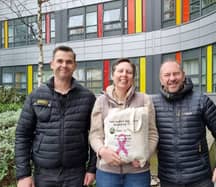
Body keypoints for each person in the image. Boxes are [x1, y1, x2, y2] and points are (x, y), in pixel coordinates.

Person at [15, 45, 96, 187]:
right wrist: (24, 174)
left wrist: (92, 169)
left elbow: (97, 135)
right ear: (52, 64)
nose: (64, 65)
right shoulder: (36, 96)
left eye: (69, 62)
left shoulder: (87, 97)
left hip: (76, 174)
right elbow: (22, 135)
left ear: (74, 66)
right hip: (44, 174)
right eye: (60, 61)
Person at [89, 58, 158, 187]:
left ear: (133, 77)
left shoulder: (144, 100)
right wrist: (102, 151)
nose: (124, 75)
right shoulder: (101, 101)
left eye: (129, 72)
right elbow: (95, 134)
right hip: (108, 173)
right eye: (120, 71)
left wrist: (145, 156)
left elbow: (152, 134)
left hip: (138, 172)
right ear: (112, 75)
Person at [152, 59, 216, 187]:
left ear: (183, 75)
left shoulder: (201, 101)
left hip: (200, 178)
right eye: (167, 75)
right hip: (168, 179)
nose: (172, 78)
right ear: (161, 79)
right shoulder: (153, 104)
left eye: (176, 74)